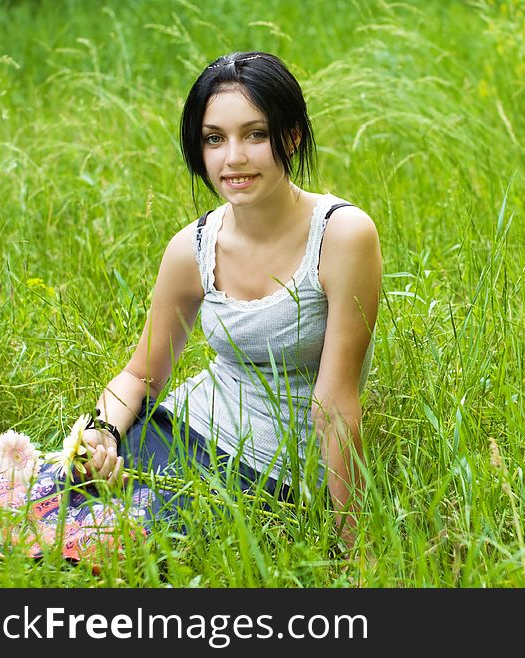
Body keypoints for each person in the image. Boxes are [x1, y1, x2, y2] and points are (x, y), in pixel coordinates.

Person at [78, 52, 381, 549]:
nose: (232, 157)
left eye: (255, 135)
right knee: (38, 509)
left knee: (127, 550)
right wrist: (103, 432)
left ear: (293, 136)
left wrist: (354, 546)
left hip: (267, 471)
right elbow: (139, 376)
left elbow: (335, 404)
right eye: (214, 138)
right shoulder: (192, 246)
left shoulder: (342, 235)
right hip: (179, 428)